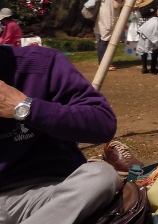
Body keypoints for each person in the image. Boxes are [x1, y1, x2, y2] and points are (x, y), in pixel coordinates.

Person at [0, 45, 120, 223]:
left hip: (51, 193)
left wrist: (25, 107)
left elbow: (103, 123)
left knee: (102, 176)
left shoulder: (41, 64)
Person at [96, 0, 124, 70]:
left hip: (101, 15)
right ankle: (103, 64)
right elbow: (116, 5)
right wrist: (125, 2)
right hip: (110, 17)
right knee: (105, 41)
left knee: (102, 39)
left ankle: (101, 62)